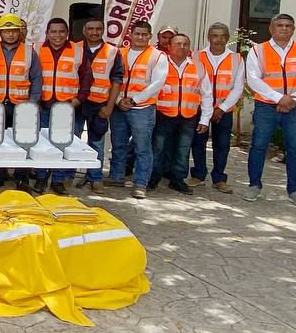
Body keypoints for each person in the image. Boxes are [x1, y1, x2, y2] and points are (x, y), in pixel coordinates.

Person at [244, 13, 296, 208]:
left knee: (295, 149)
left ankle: (294, 191)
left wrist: (291, 99)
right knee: (259, 146)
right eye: (280, 25)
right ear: (271, 29)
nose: (284, 28)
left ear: (293, 29)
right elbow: (254, 79)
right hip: (266, 107)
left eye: (288, 25)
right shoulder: (258, 51)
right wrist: (279, 98)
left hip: (295, 107)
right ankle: (254, 185)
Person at [105, 21, 169, 200]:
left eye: (144, 34)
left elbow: (157, 83)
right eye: (137, 34)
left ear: (150, 36)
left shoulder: (158, 56)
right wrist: (118, 100)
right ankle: (116, 176)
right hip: (119, 106)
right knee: (118, 144)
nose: (140, 37)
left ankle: (141, 183)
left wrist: (134, 100)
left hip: (142, 108)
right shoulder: (119, 53)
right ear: (130, 35)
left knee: (142, 147)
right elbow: (110, 79)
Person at [0, 13, 40, 191]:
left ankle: (21, 177)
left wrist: (33, 102)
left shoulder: (30, 51)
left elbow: (36, 78)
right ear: (0, 32)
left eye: (14, 31)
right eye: (6, 31)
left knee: (22, 141)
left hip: (22, 105)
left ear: (19, 31)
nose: (10, 35)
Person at [150, 33, 211, 195]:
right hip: (163, 114)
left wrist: (205, 119)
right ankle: (153, 177)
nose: (182, 47)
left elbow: (207, 94)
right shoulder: (159, 65)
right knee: (158, 148)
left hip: (189, 116)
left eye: (185, 44)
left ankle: (177, 179)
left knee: (183, 150)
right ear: (169, 47)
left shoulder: (198, 67)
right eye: (178, 44)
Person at [190, 22, 242, 193]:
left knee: (222, 144)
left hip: (223, 110)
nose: (218, 40)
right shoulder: (196, 56)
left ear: (227, 38)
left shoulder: (236, 59)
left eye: (222, 36)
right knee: (198, 142)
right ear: (208, 37)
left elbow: (238, 87)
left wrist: (222, 107)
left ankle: (219, 178)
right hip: (199, 108)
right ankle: (198, 174)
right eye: (215, 35)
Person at [34, 18, 83, 195]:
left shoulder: (78, 50)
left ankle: (58, 180)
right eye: (53, 31)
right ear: (47, 33)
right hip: (43, 104)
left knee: (62, 144)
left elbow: (87, 78)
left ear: (67, 33)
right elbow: (31, 76)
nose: (57, 35)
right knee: (41, 143)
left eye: (61, 31)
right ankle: (40, 178)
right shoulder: (37, 49)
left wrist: (78, 99)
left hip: (66, 106)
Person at [75, 17, 123, 194]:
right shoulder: (75, 48)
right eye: (90, 29)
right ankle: (67, 175)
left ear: (103, 31)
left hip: (99, 105)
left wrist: (110, 107)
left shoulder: (112, 51)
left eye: (98, 29)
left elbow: (117, 81)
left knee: (96, 143)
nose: (94, 32)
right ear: (84, 31)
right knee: (72, 141)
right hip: (77, 104)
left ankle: (95, 178)